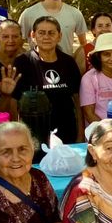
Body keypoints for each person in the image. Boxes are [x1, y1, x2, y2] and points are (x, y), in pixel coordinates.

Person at [26, 16, 84, 144]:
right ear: (33, 35)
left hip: (67, 132)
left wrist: (80, 135)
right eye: (41, 33)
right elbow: (15, 104)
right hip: (34, 135)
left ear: (59, 36)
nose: (46, 37)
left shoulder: (69, 62)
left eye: (51, 33)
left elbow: (78, 100)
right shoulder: (23, 62)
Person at [18, 0, 92, 55]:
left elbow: (83, 45)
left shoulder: (75, 14)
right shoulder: (28, 14)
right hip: (36, 67)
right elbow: (18, 44)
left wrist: (75, 62)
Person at [0, 20, 41, 118]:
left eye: (15, 36)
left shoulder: (32, 60)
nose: (11, 40)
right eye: (5, 37)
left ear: (22, 38)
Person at [80, 32, 112, 129]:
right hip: (99, 133)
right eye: (106, 54)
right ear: (98, 56)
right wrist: (109, 132)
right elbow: (88, 114)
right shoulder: (89, 78)